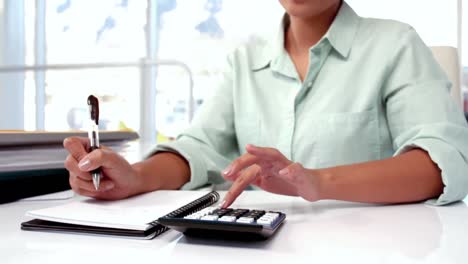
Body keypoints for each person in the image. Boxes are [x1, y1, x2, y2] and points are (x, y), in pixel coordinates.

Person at [64, 0, 468, 207]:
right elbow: (199, 149)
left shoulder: (395, 44)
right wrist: (136, 177)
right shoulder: (244, 60)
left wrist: (317, 181)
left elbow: (443, 161)